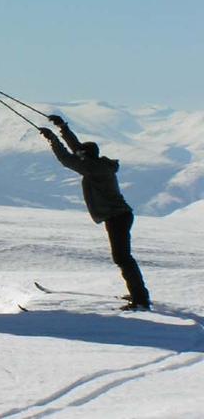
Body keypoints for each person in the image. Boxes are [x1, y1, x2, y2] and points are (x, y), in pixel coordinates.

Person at [39, 115, 151, 310]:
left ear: (87, 157)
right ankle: (138, 294)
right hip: (119, 216)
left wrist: (53, 139)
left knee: (122, 258)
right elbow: (77, 149)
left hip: (117, 217)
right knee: (123, 257)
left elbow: (67, 159)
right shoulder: (97, 164)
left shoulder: (93, 169)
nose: (79, 155)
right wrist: (62, 127)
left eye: (82, 154)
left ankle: (140, 299)